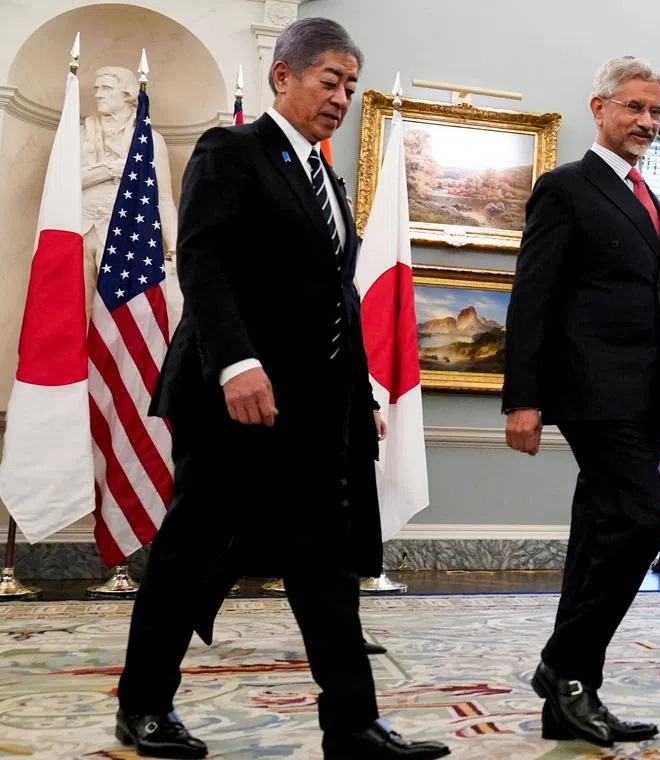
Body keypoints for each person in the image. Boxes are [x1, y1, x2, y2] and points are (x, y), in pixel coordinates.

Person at [113, 18, 449, 760]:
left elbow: (338, 297)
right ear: (284, 77)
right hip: (235, 401)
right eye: (331, 82)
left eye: (352, 88)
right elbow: (201, 264)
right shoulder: (231, 151)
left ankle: (353, 723)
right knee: (189, 556)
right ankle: (142, 707)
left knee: (325, 566)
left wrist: (356, 390)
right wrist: (236, 364)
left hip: (316, 409)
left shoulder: (327, 177)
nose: (341, 99)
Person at [502, 55, 660, 747]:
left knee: (598, 536)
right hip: (593, 391)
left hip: (649, 396)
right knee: (642, 519)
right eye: (634, 108)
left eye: (655, 112)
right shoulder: (566, 188)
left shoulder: (651, 200)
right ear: (600, 109)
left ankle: (572, 696)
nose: (647, 122)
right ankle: (561, 664)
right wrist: (524, 398)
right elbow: (533, 296)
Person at [81, 66, 178, 322]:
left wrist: (176, 246)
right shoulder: (80, 133)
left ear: (127, 94)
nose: (98, 95)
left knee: (120, 318)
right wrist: (110, 169)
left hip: (126, 234)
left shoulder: (150, 139)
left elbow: (163, 198)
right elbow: (66, 181)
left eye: (106, 88)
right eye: (96, 89)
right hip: (80, 230)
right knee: (73, 312)